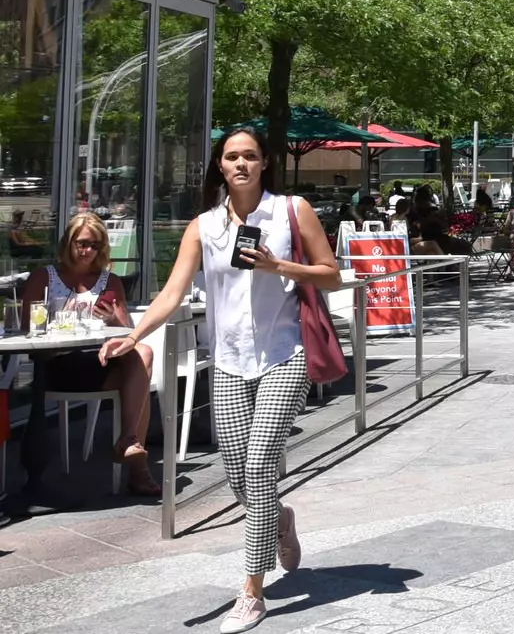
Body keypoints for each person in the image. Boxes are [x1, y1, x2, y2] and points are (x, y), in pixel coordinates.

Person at [103, 126, 341, 632]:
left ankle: (251, 590)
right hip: (229, 360)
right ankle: (279, 519)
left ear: (264, 163)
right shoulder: (203, 226)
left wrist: (281, 265)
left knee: (257, 468)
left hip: (285, 353)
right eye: (231, 156)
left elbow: (332, 274)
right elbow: (171, 293)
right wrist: (133, 334)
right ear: (219, 165)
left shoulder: (291, 210)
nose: (240, 165)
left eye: (250, 156)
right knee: (237, 477)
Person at [24, 213, 159, 494]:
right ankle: (136, 463)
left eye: (95, 245)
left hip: (97, 362)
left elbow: (128, 336)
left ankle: (129, 443)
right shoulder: (44, 277)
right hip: (54, 364)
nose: (88, 251)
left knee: (143, 353)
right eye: (82, 243)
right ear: (68, 242)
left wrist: (113, 320)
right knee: (140, 376)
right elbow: (25, 329)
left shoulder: (109, 282)